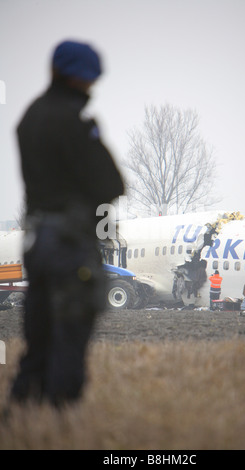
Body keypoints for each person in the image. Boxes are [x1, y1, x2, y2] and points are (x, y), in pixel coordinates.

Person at [10, 40, 124, 408]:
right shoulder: (74, 122)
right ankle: (61, 416)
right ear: (82, 80)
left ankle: (25, 411)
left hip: (36, 241)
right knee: (71, 332)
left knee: (39, 335)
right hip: (69, 243)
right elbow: (112, 184)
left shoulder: (28, 118)